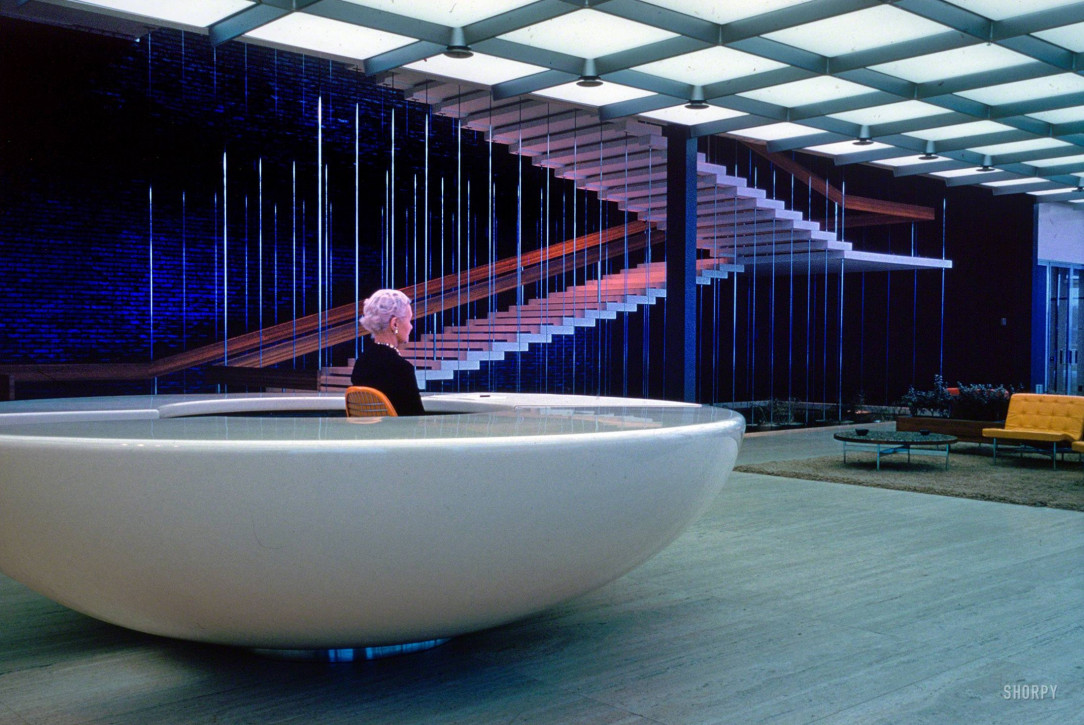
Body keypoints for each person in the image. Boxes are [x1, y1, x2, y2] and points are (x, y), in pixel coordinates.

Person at [350, 289, 425, 416]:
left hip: (366, 434)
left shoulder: (361, 363)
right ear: (394, 323)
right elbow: (415, 419)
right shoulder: (401, 369)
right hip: (397, 434)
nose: (411, 326)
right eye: (409, 320)